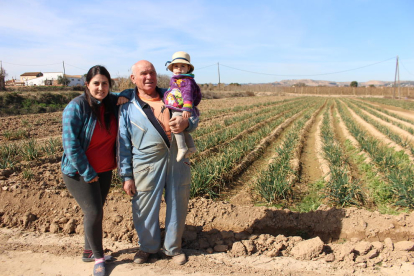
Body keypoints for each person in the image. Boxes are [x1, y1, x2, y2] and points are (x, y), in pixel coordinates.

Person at [117, 60, 199, 265]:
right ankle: (148, 248)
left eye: (152, 72)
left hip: (177, 159)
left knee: (178, 203)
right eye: (143, 73)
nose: (149, 77)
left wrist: (186, 122)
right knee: (144, 206)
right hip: (145, 162)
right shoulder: (127, 106)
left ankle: (173, 248)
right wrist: (127, 176)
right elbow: (123, 144)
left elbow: (194, 114)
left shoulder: (171, 93)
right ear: (133, 79)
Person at [61, 65, 130, 276]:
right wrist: (87, 172)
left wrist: (124, 95)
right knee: (94, 212)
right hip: (80, 172)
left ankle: (88, 251)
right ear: (87, 85)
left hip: (105, 170)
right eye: (96, 83)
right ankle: (99, 258)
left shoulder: (109, 103)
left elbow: (130, 93)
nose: (100, 87)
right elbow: (70, 145)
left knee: (96, 212)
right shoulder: (76, 107)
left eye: (105, 83)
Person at [164, 51, 202, 162]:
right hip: (178, 106)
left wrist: (187, 108)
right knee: (183, 130)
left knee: (175, 125)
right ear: (172, 68)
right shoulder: (177, 79)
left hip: (180, 108)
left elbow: (187, 94)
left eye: (182, 66)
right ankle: (192, 147)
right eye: (176, 66)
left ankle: (182, 147)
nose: (179, 68)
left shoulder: (185, 81)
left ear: (188, 68)